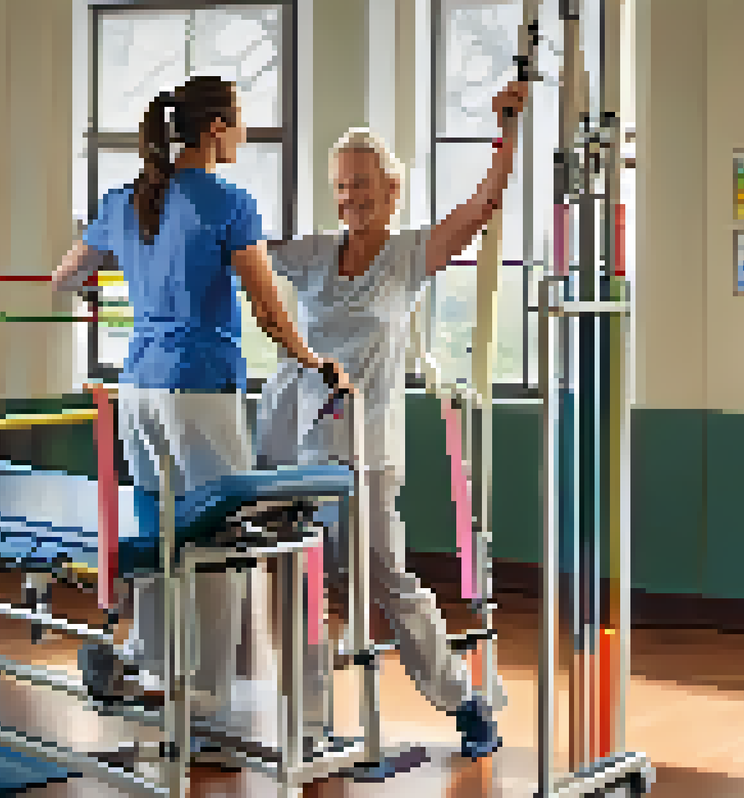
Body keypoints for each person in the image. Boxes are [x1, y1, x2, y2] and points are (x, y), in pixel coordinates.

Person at [51, 75, 353, 739]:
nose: (244, 134)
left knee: (161, 535)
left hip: (138, 391)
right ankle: (207, 693)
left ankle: (152, 664)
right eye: (240, 122)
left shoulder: (125, 199)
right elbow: (267, 308)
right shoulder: (229, 204)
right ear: (216, 129)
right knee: (220, 539)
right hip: (200, 391)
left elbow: (66, 275)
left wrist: (102, 291)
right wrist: (313, 359)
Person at [255, 81, 529, 760]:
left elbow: (482, 208)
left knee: (387, 584)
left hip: (366, 453)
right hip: (296, 448)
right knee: (299, 585)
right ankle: (309, 723)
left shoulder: (408, 256)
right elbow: (243, 254)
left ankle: (464, 700)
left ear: (393, 187)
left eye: (362, 185)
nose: (350, 197)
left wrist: (507, 133)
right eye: (341, 187)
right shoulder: (315, 253)